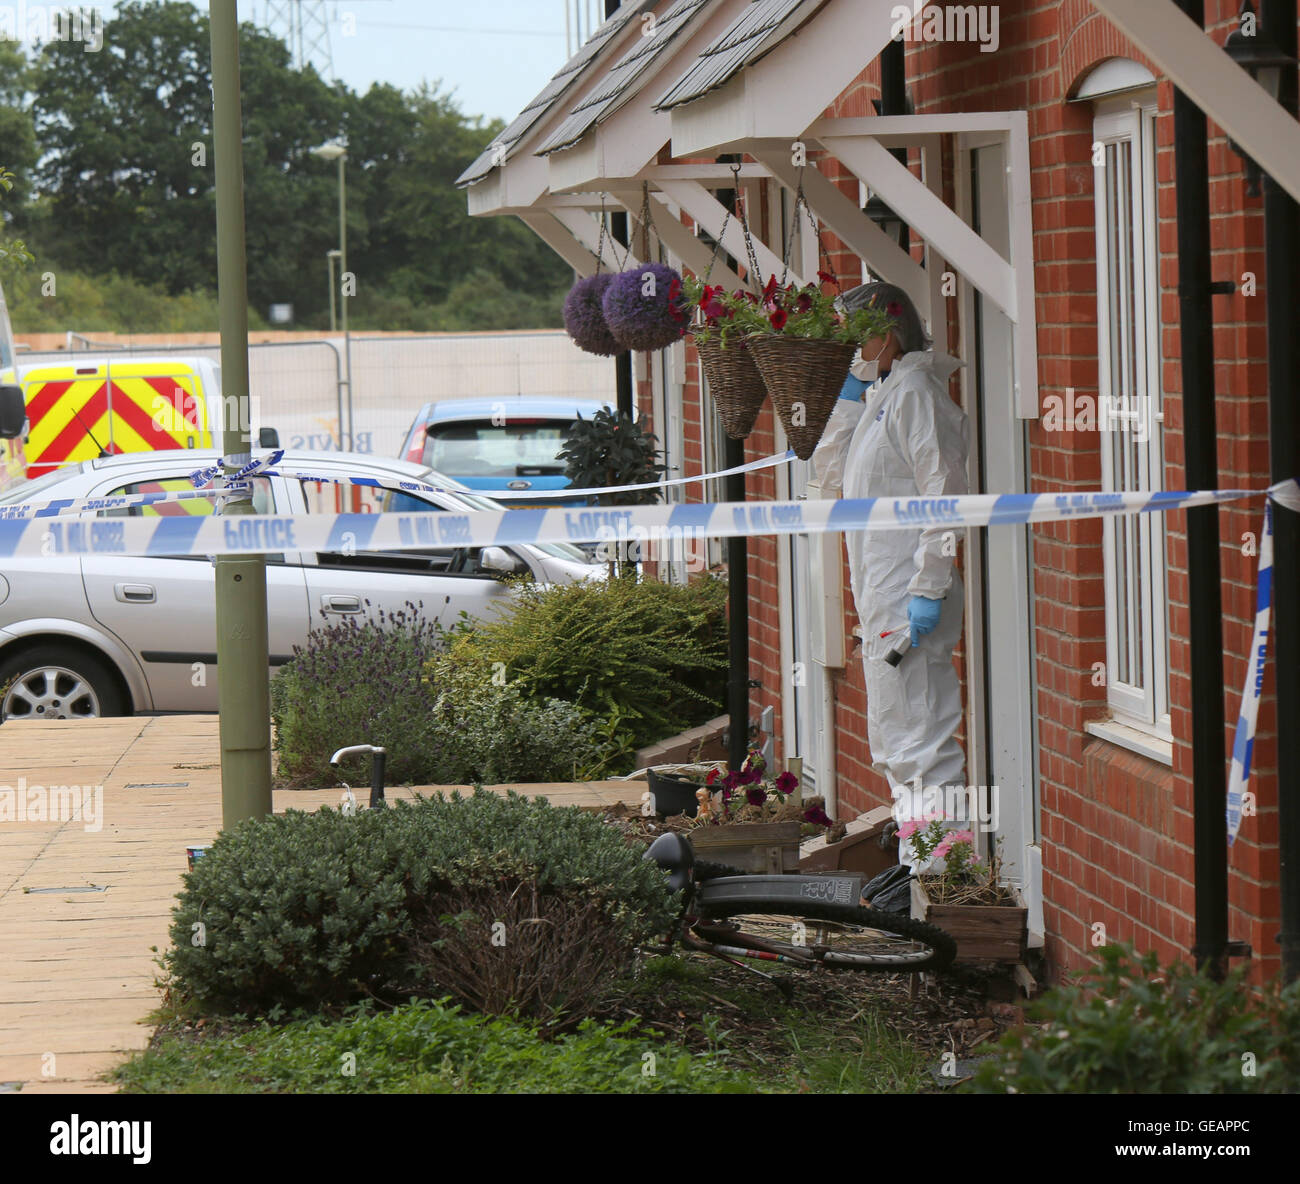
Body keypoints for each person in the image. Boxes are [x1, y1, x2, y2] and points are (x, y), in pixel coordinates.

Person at [812, 281, 970, 868]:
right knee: (897, 741)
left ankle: (943, 882)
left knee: (921, 742)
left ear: (887, 333)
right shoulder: (884, 394)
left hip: (910, 598)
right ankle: (920, 873)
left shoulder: (918, 396)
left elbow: (945, 497)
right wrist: (849, 399)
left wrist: (928, 588)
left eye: (858, 338)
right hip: (887, 600)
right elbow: (829, 473)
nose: (850, 349)